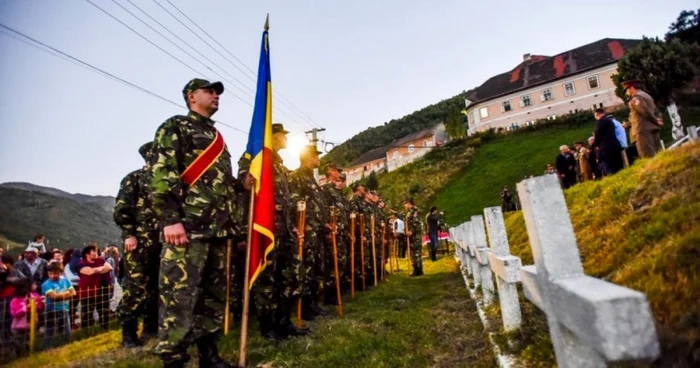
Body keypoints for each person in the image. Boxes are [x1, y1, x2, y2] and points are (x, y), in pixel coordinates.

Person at [150, 78, 242, 368]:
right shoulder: (175, 126)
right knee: (180, 297)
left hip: (217, 230)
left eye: (217, 92)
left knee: (212, 298)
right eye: (210, 91)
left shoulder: (216, 137)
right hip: (187, 230)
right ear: (192, 96)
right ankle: (174, 359)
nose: (216, 96)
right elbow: (162, 171)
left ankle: (208, 355)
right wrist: (170, 218)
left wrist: (242, 185)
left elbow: (220, 186)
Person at [238, 123, 306, 340]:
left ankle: (283, 321)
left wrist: (292, 224)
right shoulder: (256, 157)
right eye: (283, 135)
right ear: (274, 136)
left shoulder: (278, 164)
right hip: (265, 229)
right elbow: (245, 184)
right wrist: (245, 179)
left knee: (288, 276)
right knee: (267, 279)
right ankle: (268, 327)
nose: (285, 139)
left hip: (284, 229)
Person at [114, 141, 162, 347]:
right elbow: (122, 210)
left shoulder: (168, 180)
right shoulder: (133, 179)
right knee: (136, 289)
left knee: (157, 288)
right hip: (139, 245)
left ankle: (151, 329)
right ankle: (129, 335)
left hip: (163, 244)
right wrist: (129, 234)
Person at [289, 145, 329, 319]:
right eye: (316, 156)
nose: (318, 159)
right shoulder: (297, 176)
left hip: (317, 228)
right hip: (308, 228)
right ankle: (304, 306)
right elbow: (295, 200)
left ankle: (312, 302)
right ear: (309, 157)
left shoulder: (311, 178)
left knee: (316, 266)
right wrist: (300, 223)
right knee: (307, 266)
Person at [622, 80, 663, 159]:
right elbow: (656, 111)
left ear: (631, 88)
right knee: (658, 153)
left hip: (642, 129)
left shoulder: (636, 97)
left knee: (647, 155)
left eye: (626, 90)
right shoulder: (647, 95)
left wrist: (655, 120)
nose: (626, 93)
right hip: (652, 127)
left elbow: (644, 111)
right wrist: (658, 120)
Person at [41, 262, 76, 348]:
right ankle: (46, 349)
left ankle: (64, 347)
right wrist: (66, 293)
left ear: (60, 272)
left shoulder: (65, 280)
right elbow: (54, 297)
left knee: (66, 332)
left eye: (55, 273)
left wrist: (60, 295)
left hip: (64, 309)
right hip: (52, 311)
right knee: (50, 331)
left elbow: (74, 293)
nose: (53, 276)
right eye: (50, 273)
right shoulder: (46, 284)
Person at [593, 109, 624, 175]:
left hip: (607, 147)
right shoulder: (609, 120)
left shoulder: (601, 121)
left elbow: (598, 135)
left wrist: (593, 146)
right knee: (619, 165)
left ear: (596, 114)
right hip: (615, 144)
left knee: (611, 167)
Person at [403, 199, 423, 276]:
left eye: (405, 204)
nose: (405, 206)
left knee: (416, 251)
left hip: (415, 235)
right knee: (414, 252)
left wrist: (411, 231)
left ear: (408, 203)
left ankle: (417, 269)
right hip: (413, 235)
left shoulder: (414, 211)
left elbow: (416, 222)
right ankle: (418, 268)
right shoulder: (410, 212)